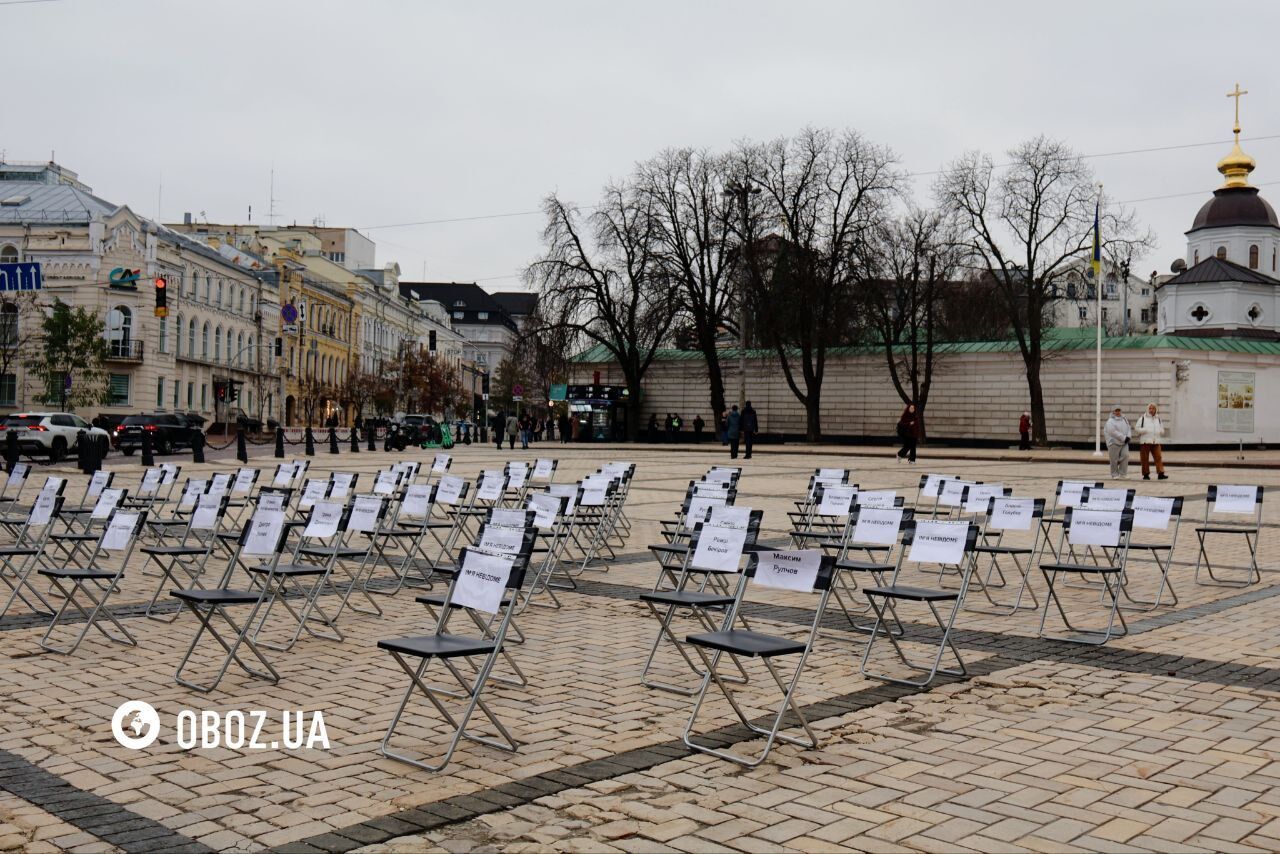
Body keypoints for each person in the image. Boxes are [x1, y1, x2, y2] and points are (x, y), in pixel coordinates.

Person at [1135, 402, 1168, 480]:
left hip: (1156, 441)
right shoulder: (1142, 418)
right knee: (1144, 458)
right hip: (1145, 441)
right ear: (1147, 409)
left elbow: (1162, 428)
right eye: (1150, 408)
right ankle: (1146, 474)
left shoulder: (1158, 419)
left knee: (1158, 457)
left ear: (1155, 409)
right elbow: (1137, 428)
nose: (1151, 410)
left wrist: (1161, 431)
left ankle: (1160, 473)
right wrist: (1145, 430)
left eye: (1153, 408)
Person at [1105, 405, 1132, 479]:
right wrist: (1123, 438)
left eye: (1119, 410)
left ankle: (1123, 473)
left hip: (1124, 442)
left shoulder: (1124, 419)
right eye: (1116, 411)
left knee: (1125, 456)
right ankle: (1114, 474)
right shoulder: (1110, 421)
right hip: (1113, 442)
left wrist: (1128, 436)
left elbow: (1128, 428)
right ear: (1113, 412)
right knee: (1114, 459)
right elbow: (1112, 432)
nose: (1118, 412)